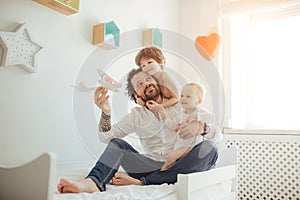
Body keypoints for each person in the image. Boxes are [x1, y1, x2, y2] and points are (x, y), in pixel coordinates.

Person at [57, 67, 221, 194]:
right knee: (117, 144)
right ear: (136, 96)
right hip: (148, 165)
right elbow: (105, 136)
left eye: (148, 79)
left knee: (211, 148)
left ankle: (144, 182)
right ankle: (93, 182)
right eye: (140, 84)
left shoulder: (182, 105)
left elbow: (218, 134)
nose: (147, 83)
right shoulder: (136, 115)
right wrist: (106, 112)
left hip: (179, 163)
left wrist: (203, 127)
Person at [159, 83, 213, 171]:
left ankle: (164, 170)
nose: (183, 98)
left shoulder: (200, 112)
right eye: (182, 96)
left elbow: (210, 117)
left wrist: (196, 116)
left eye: (188, 96)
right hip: (181, 145)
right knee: (171, 159)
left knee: (170, 157)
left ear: (198, 101)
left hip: (193, 147)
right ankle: (167, 172)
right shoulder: (180, 114)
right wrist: (164, 117)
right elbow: (172, 125)